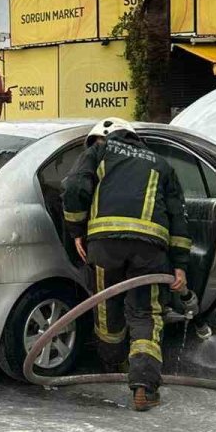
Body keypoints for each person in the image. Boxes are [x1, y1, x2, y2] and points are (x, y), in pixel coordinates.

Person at [62, 118, 192, 412]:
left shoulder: (99, 150)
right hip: (151, 251)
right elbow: (178, 218)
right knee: (146, 314)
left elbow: (73, 188)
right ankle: (143, 386)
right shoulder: (162, 164)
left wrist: (76, 232)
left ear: (101, 137)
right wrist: (180, 266)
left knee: (107, 309)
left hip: (104, 247)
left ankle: (113, 365)